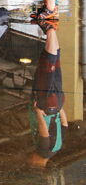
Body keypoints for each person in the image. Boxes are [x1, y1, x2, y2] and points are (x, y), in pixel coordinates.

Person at [28, 21, 68, 168]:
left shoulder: (56, 149)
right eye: (31, 161)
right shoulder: (43, 152)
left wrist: (60, 108)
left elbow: (65, 125)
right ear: (36, 163)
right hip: (46, 105)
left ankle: (52, 30)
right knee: (47, 67)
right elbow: (44, 136)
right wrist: (38, 112)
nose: (30, 158)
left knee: (56, 64)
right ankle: (50, 26)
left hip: (57, 104)